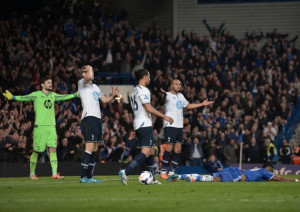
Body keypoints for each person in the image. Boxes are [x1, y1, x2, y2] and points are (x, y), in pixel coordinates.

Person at [2, 76, 79, 179]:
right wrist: (14, 97)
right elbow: (25, 98)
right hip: (40, 128)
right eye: (48, 83)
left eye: (51, 83)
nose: (50, 84)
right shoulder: (36, 95)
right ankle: (32, 173)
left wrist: (75, 95)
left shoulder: (53, 95)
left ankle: (54, 174)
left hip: (51, 127)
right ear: (42, 84)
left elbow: (63, 97)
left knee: (52, 149)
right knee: (37, 151)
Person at [119, 69, 174, 185]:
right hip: (144, 124)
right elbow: (148, 108)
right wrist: (165, 116)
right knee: (146, 151)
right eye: (148, 76)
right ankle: (125, 171)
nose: (149, 78)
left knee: (152, 150)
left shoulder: (134, 91)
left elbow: (137, 110)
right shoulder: (144, 90)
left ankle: (152, 177)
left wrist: (135, 129)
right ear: (144, 77)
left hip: (139, 123)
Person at [159, 79, 214, 179]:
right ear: (171, 86)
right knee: (169, 148)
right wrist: (164, 95)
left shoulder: (181, 96)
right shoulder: (167, 95)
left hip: (179, 126)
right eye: (176, 84)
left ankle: (172, 172)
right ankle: (163, 171)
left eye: (179, 84)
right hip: (170, 125)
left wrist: (202, 104)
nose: (178, 86)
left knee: (178, 149)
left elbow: (188, 106)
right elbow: (162, 100)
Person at [78, 65, 119, 183]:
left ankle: (90, 176)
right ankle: (83, 176)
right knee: (89, 146)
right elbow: (87, 76)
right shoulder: (81, 83)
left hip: (97, 118)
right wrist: (87, 69)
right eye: (90, 71)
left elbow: (105, 100)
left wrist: (113, 96)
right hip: (88, 117)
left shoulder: (95, 86)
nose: (93, 72)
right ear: (84, 73)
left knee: (95, 147)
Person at [167, 164, 299, 182]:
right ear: (269, 170)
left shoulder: (257, 171)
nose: (272, 174)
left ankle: (178, 176)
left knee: (208, 177)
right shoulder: (264, 171)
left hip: (233, 170)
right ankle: (193, 179)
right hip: (236, 175)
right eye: (272, 172)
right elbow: (279, 179)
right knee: (211, 180)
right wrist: (295, 180)